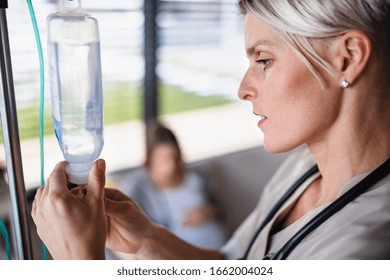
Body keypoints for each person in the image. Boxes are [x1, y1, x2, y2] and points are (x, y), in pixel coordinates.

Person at [32, 0, 390, 259]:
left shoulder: (369, 246)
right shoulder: (303, 169)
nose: (242, 88)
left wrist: (78, 261)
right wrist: (146, 241)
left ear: (347, 58)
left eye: (263, 60)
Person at [120, 122, 228, 249]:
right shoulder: (138, 188)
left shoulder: (196, 177)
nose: (172, 166)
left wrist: (207, 212)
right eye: (163, 159)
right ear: (150, 158)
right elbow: (137, 230)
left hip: (221, 248)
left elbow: (224, 212)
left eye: (175, 157)